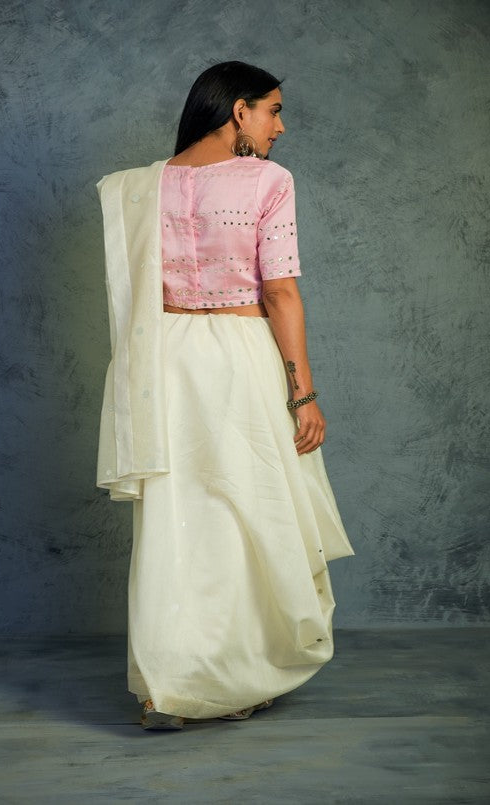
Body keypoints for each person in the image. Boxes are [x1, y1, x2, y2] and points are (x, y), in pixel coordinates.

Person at [95, 61, 355, 731]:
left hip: (164, 360)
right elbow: (280, 292)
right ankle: (233, 678)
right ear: (239, 111)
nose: (280, 126)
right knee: (248, 512)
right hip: (238, 356)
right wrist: (303, 393)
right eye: (273, 110)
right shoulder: (268, 181)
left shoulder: (138, 187)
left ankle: (164, 688)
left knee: (175, 518)